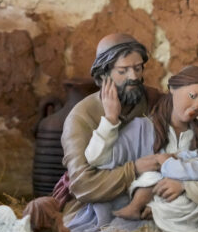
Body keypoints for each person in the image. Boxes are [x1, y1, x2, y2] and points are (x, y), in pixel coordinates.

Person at [67, 66, 198, 232]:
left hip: (188, 227)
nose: (196, 106)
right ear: (173, 89)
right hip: (142, 224)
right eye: (192, 96)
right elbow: (100, 161)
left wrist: (185, 188)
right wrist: (111, 120)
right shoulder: (141, 128)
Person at [59, 33, 160, 218]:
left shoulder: (154, 100)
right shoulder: (82, 116)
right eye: (123, 71)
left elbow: (187, 127)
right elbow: (84, 184)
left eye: (138, 68)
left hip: (153, 199)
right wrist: (134, 169)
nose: (134, 77)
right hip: (98, 209)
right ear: (103, 74)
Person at [89, 139, 198, 232]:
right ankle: (138, 207)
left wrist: (166, 161)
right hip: (169, 184)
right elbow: (184, 158)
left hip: (180, 197)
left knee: (156, 184)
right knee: (150, 178)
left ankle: (140, 209)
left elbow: (179, 170)